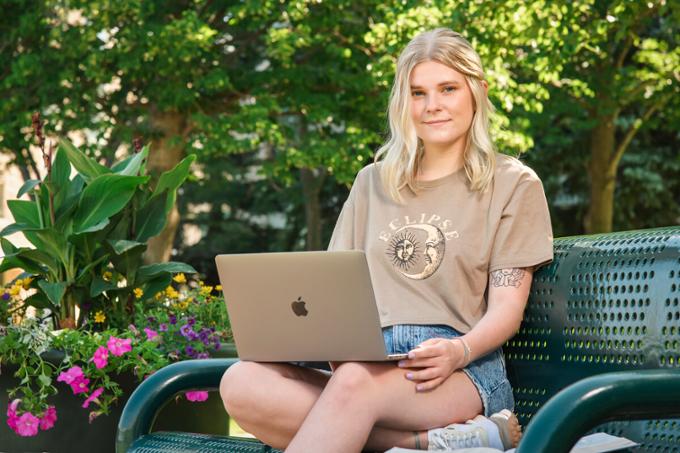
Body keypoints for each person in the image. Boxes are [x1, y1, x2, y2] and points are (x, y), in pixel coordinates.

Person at [219, 27, 554, 452]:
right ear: (403, 102)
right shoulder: (372, 183)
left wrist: (458, 351)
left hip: (455, 369)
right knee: (242, 381)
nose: (432, 106)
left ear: (477, 92)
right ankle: (427, 444)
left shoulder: (512, 184)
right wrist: (332, 346)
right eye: (418, 93)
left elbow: (507, 309)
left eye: (447, 89)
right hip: (366, 362)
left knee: (354, 384)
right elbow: (328, 294)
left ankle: (448, 431)